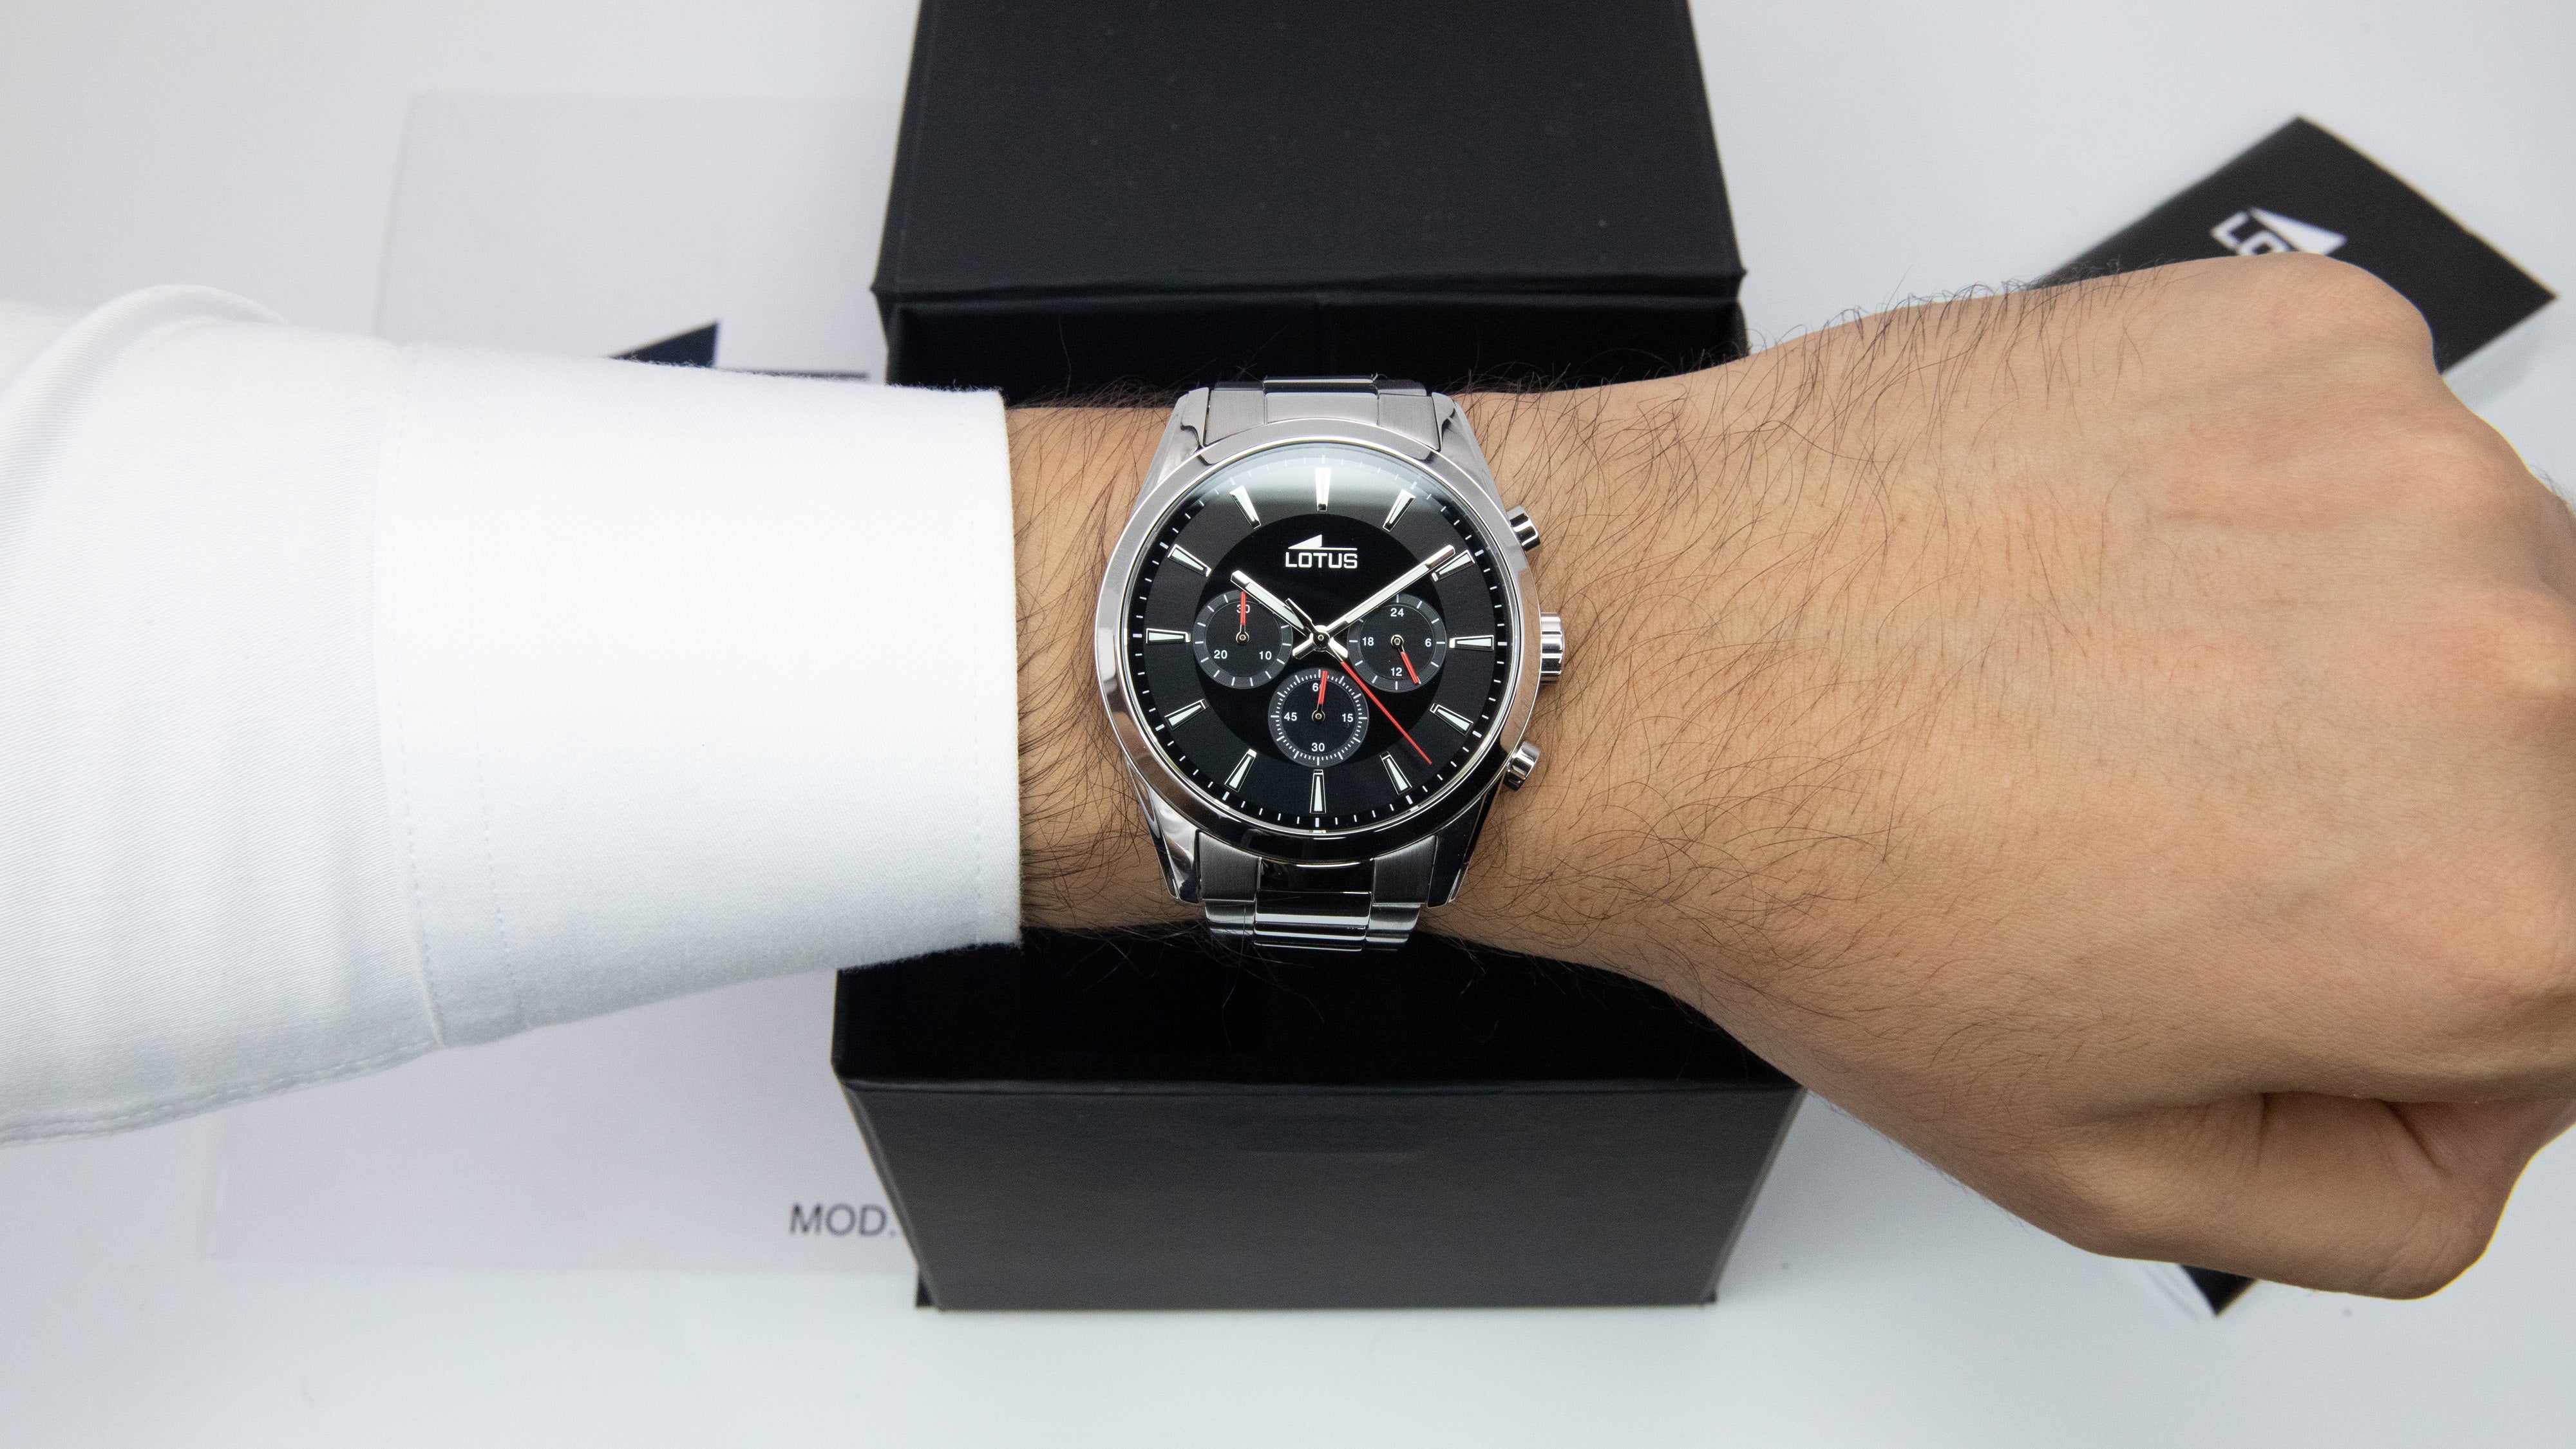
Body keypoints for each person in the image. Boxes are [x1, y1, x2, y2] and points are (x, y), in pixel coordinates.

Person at [1, 254, 2568, 1300]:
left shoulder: (1457, 609)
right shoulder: (1466, 624)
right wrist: (1706, 631)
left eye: (1470, 646)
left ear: (1510, 636)